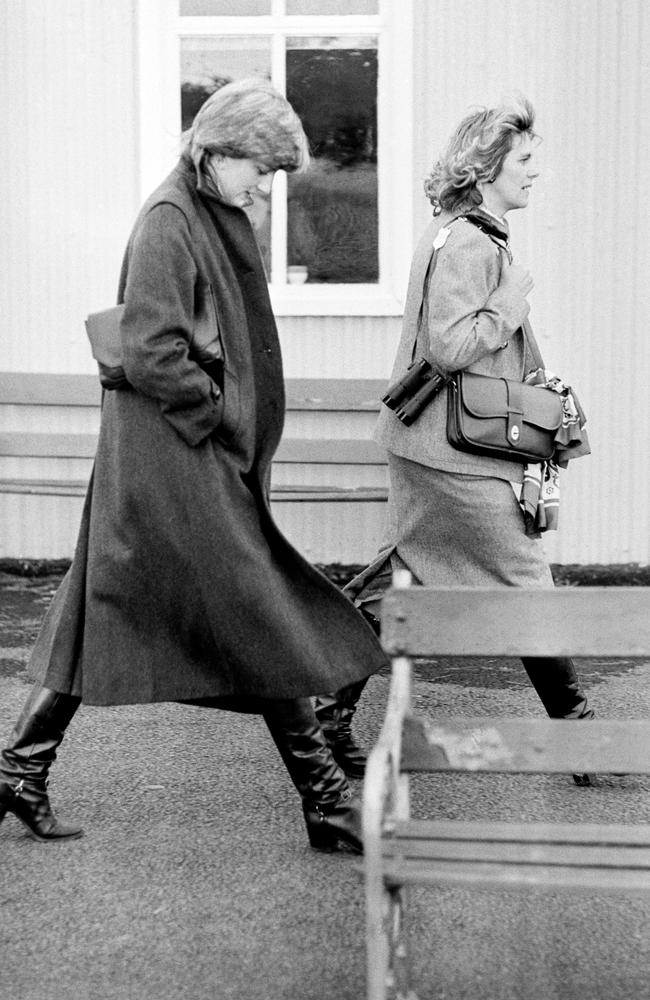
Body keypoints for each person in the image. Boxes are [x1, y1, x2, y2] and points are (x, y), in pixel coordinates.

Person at [0, 78, 387, 850]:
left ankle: (19, 769)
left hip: (170, 455)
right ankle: (325, 800)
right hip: (176, 455)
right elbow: (151, 347)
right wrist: (219, 412)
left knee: (100, 603)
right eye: (260, 168)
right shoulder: (173, 217)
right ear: (217, 149)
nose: (265, 185)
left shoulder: (204, 208)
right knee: (261, 611)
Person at [335, 96, 594, 781]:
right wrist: (511, 304)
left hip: (431, 441)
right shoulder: (472, 242)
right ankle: (582, 736)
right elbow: (450, 346)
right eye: (526, 161)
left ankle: (324, 721)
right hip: (450, 451)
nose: (535, 173)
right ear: (489, 167)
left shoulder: (458, 232)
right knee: (522, 573)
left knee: (405, 579)